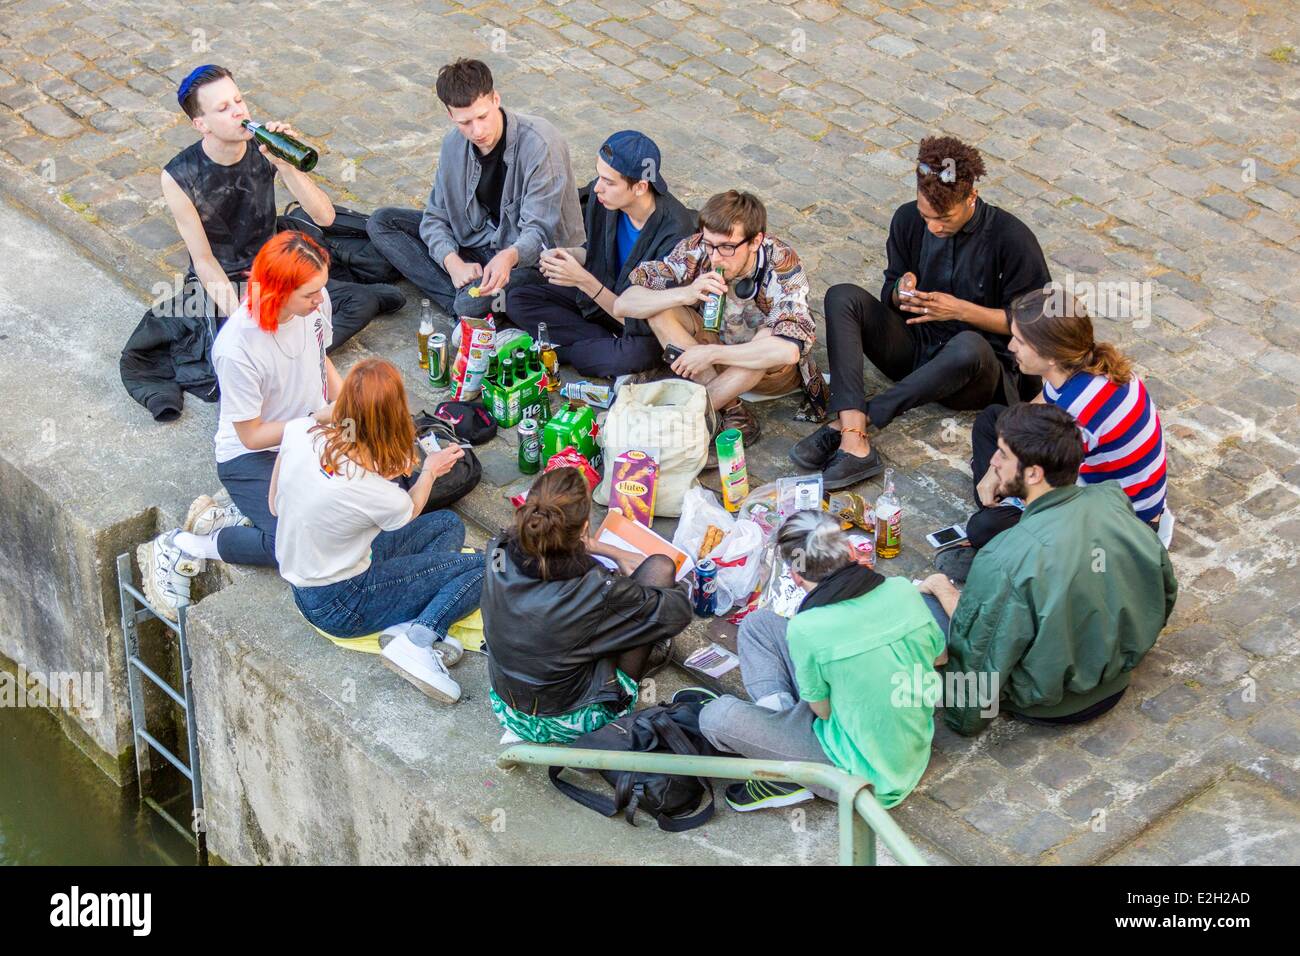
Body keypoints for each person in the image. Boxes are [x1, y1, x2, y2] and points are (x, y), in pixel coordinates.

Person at [792, 136, 1051, 490]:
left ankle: (860, 419)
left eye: (943, 219)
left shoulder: (1012, 239)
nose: (933, 227)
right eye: (926, 215)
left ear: (971, 198)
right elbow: (889, 291)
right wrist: (900, 291)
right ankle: (855, 441)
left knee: (969, 344)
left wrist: (961, 310)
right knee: (842, 297)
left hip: (976, 372)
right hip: (916, 347)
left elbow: (1035, 325)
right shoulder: (908, 220)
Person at [918, 403, 1177, 736]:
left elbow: (980, 656)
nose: (993, 463)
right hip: (1117, 676)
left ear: (1034, 474)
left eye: (1002, 455)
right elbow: (1165, 587)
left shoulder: (1004, 557)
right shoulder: (1111, 499)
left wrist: (962, 720)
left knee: (928, 610)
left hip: (1051, 703)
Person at [136, 231, 342, 620]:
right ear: (279, 291)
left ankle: (240, 513)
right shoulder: (237, 347)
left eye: (321, 290)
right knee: (293, 545)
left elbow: (321, 357)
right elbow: (250, 434)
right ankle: (185, 545)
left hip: (309, 437)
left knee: (361, 506)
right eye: (310, 294)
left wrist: (350, 403)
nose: (320, 300)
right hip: (252, 456)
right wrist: (317, 419)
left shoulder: (316, 304)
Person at [693, 511, 946, 812]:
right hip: (906, 747)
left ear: (796, 576)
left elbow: (821, 711)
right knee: (759, 624)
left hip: (864, 779)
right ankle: (783, 748)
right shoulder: (902, 589)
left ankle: (786, 773)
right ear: (852, 551)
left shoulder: (807, 628)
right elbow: (939, 656)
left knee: (716, 717)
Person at [272, 358, 484, 704]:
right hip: (342, 602)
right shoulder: (375, 492)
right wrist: (430, 470)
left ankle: (404, 618)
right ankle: (419, 641)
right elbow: (409, 509)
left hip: (305, 582)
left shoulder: (300, 432)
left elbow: (273, 505)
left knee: (447, 524)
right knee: (485, 569)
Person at [158, 64, 402, 350]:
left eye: (238, 100)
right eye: (223, 108)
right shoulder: (179, 176)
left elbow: (324, 216)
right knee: (243, 350)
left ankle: (295, 343)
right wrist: (243, 320)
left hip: (276, 266)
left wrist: (285, 165)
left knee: (374, 298)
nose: (239, 112)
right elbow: (203, 261)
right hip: (231, 282)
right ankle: (292, 353)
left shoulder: (261, 147)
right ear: (202, 123)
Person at [957, 287, 1170, 562]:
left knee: (982, 529)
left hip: (1122, 529)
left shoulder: (1078, 411)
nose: (1011, 347)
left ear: (1050, 355)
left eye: (1020, 342)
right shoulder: (1085, 366)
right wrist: (997, 466)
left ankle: (1003, 510)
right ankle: (1000, 500)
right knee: (992, 420)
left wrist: (999, 474)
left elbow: (1050, 487)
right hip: (1111, 493)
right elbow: (1040, 404)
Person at [480, 467, 692, 743]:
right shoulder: (596, 588)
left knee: (594, 626)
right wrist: (614, 557)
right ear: (583, 529)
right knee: (661, 568)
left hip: (508, 708)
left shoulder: (497, 549)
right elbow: (678, 613)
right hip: (569, 720)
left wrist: (598, 549)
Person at [367, 58, 583, 321]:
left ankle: (464, 307)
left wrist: (508, 257)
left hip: (532, 260)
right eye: (465, 122)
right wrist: (452, 262)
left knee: (469, 304)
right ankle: (464, 301)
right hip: (477, 242)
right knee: (382, 222)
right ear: (450, 115)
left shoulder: (541, 144)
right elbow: (435, 216)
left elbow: (539, 234)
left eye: (482, 117)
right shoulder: (452, 145)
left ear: (496, 100)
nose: (477, 131)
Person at [614, 189, 827, 448]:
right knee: (659, 309)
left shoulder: (781, 263)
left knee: (767, 340)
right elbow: (623, 304)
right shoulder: (698, 247)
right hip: (714, 351)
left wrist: (711, 354)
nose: (715, 256)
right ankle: (732, 410)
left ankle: (687, 415)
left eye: (727, 247)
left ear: (755, 241)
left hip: (766, 371)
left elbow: (789, 351)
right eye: (710, 245)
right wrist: (686, 293)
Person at [506, 130, 694, 378]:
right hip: (598, 300)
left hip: (638, 323)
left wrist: (582, 279)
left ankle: (570, 352)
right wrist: (570, 256)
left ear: (639, 187)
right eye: (599, 176)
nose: (597, 188)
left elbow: (636, 316)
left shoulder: (675, 234)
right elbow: (596, 253)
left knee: (635, 352)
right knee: (517, 299)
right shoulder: (605, 201)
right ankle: (602, 345)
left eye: (609, 182)